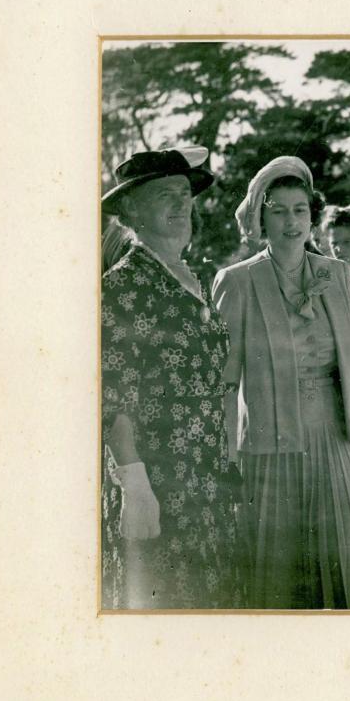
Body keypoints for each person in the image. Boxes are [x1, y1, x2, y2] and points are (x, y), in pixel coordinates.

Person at [212, 156, 350, 609]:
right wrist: (223, 453)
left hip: (336, 438)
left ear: (312, 216)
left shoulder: (335, 274)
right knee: (281, 564)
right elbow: (223, 382)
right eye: (279, 210)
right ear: (260, 217)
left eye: (300, 210)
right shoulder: (237, 282)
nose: (291, 221)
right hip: (269, 446)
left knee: (344, 550)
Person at [100, 147, 240, 609]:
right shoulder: (124, 284)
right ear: (132, 212)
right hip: (158, 477)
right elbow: (114, 394)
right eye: (165, 195)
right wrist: (135, 485)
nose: (181, 205)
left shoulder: (190, 277)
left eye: (185, 194)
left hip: (205, 475)